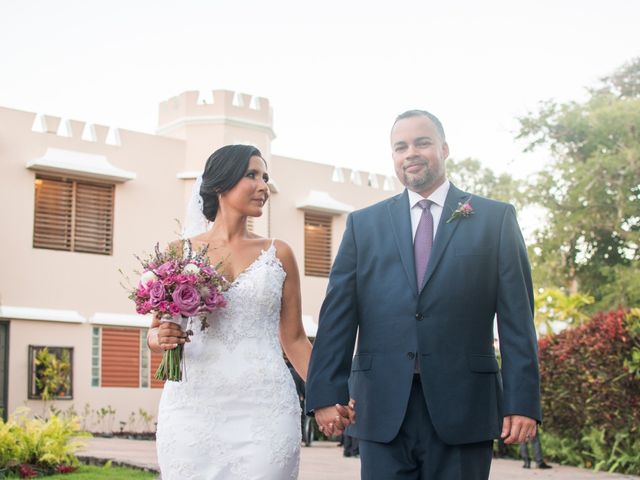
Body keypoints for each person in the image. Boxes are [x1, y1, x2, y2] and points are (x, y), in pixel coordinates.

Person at [306, 110, 541, 480]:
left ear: (444, 149)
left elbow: (517, 320)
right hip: (380, 407)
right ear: (393, 157)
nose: (410, 153)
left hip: (465, 407)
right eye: (400, 147)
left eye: (422, 142)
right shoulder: (363, 225)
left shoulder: (495, 219)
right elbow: (337, 316)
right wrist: (324, 394)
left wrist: (522, 403)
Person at [148, 145, 313, 479]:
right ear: (221, 183)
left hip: (266, 409)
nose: (263, 185)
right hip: (192, 409)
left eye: (265, 177)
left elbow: (295, 339)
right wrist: (159, 337)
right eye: (251, 175)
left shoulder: (279, 253)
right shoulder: (180, 253)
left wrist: (330, 393)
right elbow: (155, 332)